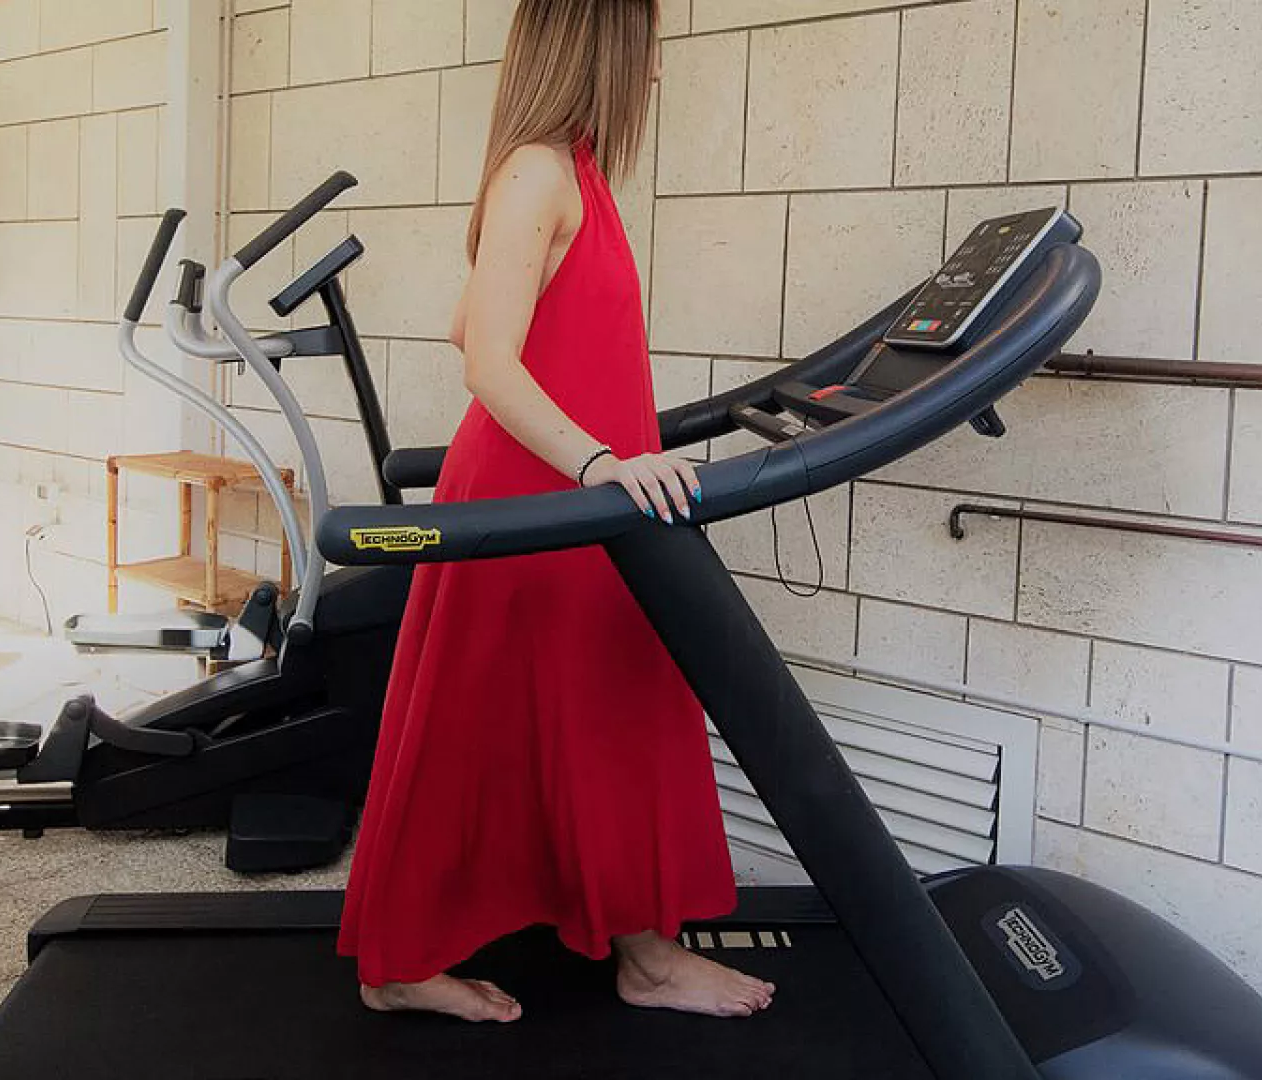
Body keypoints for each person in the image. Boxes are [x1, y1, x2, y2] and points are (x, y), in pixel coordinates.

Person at [337, 0, 775, 1024]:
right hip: (547, 495)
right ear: (607, 45)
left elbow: (465, 323)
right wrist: (599, 458)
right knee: (486, 728)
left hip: (578, 500)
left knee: (605, 713)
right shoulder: (538, 171)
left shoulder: (572, 174)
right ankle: (412, 965)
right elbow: (488, 361)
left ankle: (644, 954)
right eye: (651, 44)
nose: (658, 68)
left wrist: (604, 450)